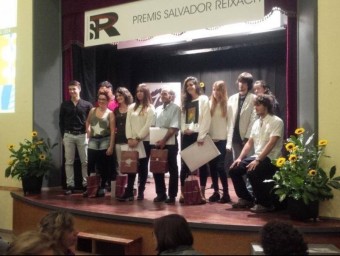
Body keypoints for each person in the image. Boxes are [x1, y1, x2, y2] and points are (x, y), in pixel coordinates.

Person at [229, 94, 283, 213]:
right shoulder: (256, 123)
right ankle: (247, 198)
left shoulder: (276, 121)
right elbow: (249, 143)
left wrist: (258, 160)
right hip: (257, 156)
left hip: (271, 158)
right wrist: (239, 158)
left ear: (266, 106)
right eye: (255, 105)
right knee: (234, 170)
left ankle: (265, 203)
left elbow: (271, 143)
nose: (255, 108)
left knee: (253, 171)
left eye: (258, 105)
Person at [117, 83, 155, 201]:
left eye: (141, 91)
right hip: (131, 141)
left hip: (144, 141)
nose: (139, 93)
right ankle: (129, 192)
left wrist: (138, 138)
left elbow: (149, 125)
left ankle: (141, 191)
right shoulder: (131, 107)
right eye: (137, 91)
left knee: (143, 167)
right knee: (131, 166)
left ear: (146, 93)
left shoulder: (150, 108)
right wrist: (129, 138)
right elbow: (128, 124)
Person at [180, 76, 211, 204]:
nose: (189, 87)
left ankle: (202, 193)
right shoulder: (185, 102)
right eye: (187, 85)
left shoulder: (203, 99)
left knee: (202, 165)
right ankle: (183, 192)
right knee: (184, 165)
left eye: (191, 84)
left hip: (198, 136)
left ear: (196, 86)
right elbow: (182, 119)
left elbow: (206, 118)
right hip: (186, 136)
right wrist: (183, 130)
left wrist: (201, 137)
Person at [59, 80, 93, 195]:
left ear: (79, 89)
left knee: (85, 162)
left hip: (82, 135)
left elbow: (91, 122)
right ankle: (70, 185)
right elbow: (61, 122)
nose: (71, 91)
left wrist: (89, 135)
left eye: (74, 89)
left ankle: (85, 184)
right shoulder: (64, 105)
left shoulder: (87, 105)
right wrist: (63, 136)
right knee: (69, 162)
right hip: (68, 135)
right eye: (70, 89)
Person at [227, 72, 257, 195]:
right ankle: (243, 194)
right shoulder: (232, 98)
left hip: (247, 137)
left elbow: (253, 119)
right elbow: (229, 119)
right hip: (234, 137)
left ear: (249, 84)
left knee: (249, 166)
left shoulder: (253, 98)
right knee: (237, 165)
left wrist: (247, 136)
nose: (241, 85)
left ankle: (250, 192)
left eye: (244, 82)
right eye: (240, 82)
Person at [152, 87, 181, 204]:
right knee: (156, 167)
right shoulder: (157, 109)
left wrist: (164, 140)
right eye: (161, 94)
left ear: (171, 96)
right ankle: (161, 194)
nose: (162, 96)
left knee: (173, 169)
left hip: (170, 143)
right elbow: (154, 126)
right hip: (158, 143)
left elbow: (173, 127)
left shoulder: (176, 108)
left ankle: (172, 195)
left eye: (165, 94)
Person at [84, 91, 115, 197]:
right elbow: (87, 122)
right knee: (91, 163)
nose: (101, 101)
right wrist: (88, 131)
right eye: (100, 99)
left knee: (103, 165)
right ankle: (91, 187)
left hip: (105, 140)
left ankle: (102, 186)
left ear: (108, 101)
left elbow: (112, 131)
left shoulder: (110, 113)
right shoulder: (92, 110)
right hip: (93, 140)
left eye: (104, 99)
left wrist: (111, 146)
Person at [208, 80, 231, 203]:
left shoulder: (228, 104)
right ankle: (216, 192)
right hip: (210, 140)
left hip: (222, 140)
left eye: (218, 89)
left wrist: (229, 142)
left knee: (220, 167)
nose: (216, 92)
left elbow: (230, 125)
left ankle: (226, 194)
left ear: (223, 91)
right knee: (212, 167)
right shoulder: (209, 103)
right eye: (214, 89)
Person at [114, 87, 134, 175]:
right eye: (117, 96)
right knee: (120, 164)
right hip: (118, 140)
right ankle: (122, 186)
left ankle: (132, 186)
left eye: (120, 95)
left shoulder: (132, 109)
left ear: (126, 95)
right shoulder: (115, 110)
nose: (118, 97)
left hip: (129, 140)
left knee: (131, 163)